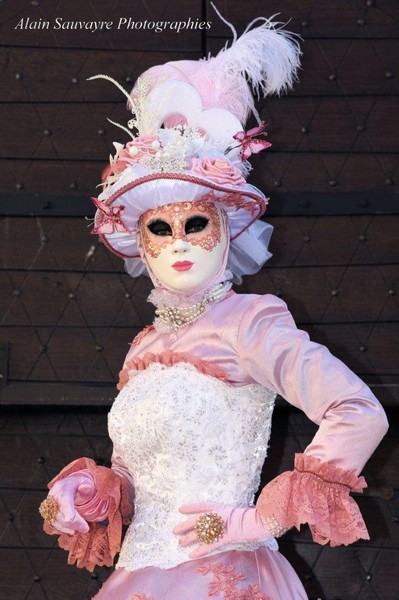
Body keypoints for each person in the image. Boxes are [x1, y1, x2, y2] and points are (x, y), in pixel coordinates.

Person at [38, 12, 388, 600]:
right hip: (140, 577)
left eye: (195, 222)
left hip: (224, 576)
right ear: (138, 244)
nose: (178, 242)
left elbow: (358, 410)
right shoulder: (144, 346)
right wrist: (99, 491)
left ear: (227, 231)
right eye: (159, 228)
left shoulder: (250, 322)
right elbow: (136, 477)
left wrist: (255, 522)